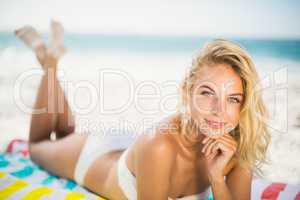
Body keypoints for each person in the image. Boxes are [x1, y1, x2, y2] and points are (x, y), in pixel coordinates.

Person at [15, 21, 270, 200]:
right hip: (97, 156)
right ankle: (49, 62)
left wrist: (216, 178)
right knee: (37, 146)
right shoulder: (159, 147)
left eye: (233, 99)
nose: (219, 111)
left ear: (244, 105)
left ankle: (49, 56)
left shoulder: (236, 151)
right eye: (207, 93)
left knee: (64, 133)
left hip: (133, 147)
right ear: (187, 91)